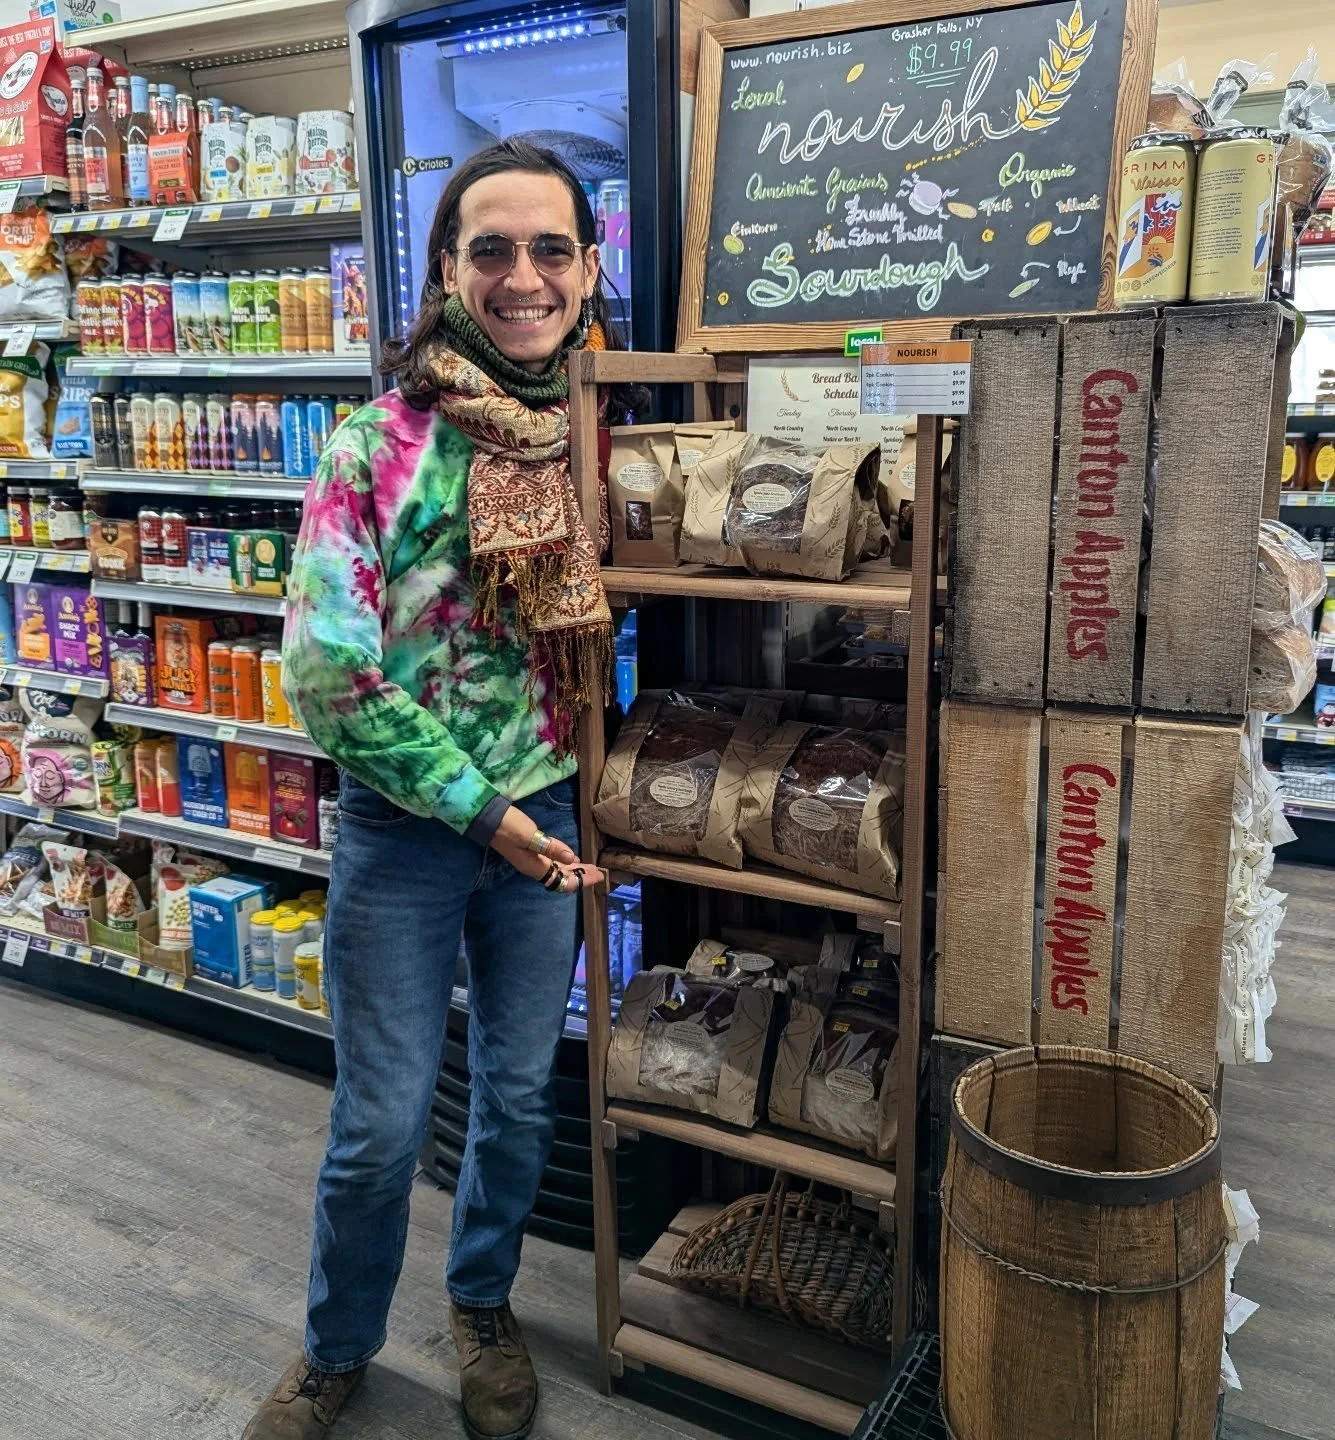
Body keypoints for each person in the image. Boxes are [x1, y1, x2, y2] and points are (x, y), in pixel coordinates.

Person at [244, 139, 617, 1440]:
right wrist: (490, 814)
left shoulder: (596, 435)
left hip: (553, 816)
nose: (524, 277)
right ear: (447, 271)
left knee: (516, 1101)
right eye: (492, 250)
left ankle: (482, 1307)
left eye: (549, 249)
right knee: (380, 1126)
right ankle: (334, 1350)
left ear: (586, 266)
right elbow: (327, 672)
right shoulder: (374, 446)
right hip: (411, 833)